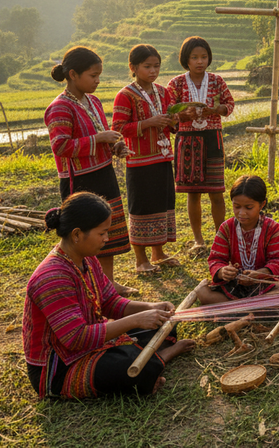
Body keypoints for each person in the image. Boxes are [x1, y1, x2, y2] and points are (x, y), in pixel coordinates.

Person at [23, 192, 195, 399]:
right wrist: (137, 319)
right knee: (132, 367)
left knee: (164, 323)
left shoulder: (88, 259)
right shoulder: (52, 277)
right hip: (60, 365)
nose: (107, 238)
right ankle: (160, 357)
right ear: (77, 234)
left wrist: (151, 307)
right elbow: (76, 338)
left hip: (89, 345)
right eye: (102, 233)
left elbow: (110, 302)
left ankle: (152, 359)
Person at [45, 46, 134, 296]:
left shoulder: (93, 101)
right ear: (73, 74)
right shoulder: (60, 107)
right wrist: (99, 138)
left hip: (103, 173)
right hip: (80, 179)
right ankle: (90, 284)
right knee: (86, 235)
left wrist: (115, 147)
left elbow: (100, 136)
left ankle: (107, 283)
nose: (97, 81)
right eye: (92, 76)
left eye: (99, 76)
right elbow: (61, 146)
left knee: (106, 232)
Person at [112, 44, 179, 274]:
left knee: (162, 204)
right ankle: (140, 260)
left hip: (162, 157)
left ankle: (158, 252)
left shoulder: (162, 92)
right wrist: (150, 122)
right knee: (141, 207)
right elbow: (119, 128)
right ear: (133, 67)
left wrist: (174, 119)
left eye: (157, 66)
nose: (153, 71)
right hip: (139, 162)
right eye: (147, 66)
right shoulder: (125, 95)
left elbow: (172, 124)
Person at [168, 36, 235, 254]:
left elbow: (230, 105)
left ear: (209, 58)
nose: (200, 61)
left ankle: (220, 237)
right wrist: (183, 114)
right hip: (187, 141)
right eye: (194, 57)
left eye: (203, 57)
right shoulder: (176, 83)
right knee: (193, 193)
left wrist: (217, 110)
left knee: (216, 192)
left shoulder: (216, 81)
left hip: (212, 138)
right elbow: (169, 112)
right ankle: (198, 239)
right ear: (185, 60)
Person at [197, 175, 279, 304]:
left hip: (264, 283)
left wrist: (259, 274)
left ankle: (240, 307)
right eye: (237, 206)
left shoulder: (272, 228)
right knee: (203, 293)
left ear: (262, 204)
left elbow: (278, 260)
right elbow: (216, 259)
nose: (242, 213)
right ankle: (254, 306)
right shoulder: (226, 228)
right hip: (234, 285)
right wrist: (222, 272)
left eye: (249, 207)